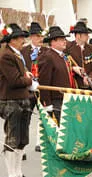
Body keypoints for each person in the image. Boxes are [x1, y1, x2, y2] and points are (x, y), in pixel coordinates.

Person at [0, 23, 35, 177]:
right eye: (19, 37)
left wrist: (29, 78)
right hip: (11, 101)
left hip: (22, 99)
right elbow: (14, 80)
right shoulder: (6, 55)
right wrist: (29, 81)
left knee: (22, 139)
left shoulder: (16, 54)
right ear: (11, 40)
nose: (23, 39)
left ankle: (18, 171)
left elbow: (23, 76)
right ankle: (11, 173)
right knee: (13, 139)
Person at [38, 26, 78, 125]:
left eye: (64, 39)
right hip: (56, 100)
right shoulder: (48, 57)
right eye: (61, 39)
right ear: (53, 42)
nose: (64, 41)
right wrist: (47, 103)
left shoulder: (62, 56)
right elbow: (44, 81)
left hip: (65, 98)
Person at [21, 22, 48, 153]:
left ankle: (40, 142)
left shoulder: (46, 51)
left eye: (41, 36)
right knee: (25, 117)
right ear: (31, 37)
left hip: (41, 88)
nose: (40, 39)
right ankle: (23, 147)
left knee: (43, 116)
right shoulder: (23, 51)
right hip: (27, 89)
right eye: (37, 36)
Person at [65, 21, 92, 90]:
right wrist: (73, 68)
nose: (88, 36)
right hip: (74, 86)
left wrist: (90, 77)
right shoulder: (67, 48)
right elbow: (63, 65)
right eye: (85, 34)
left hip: (90, 86)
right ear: (78, 35)